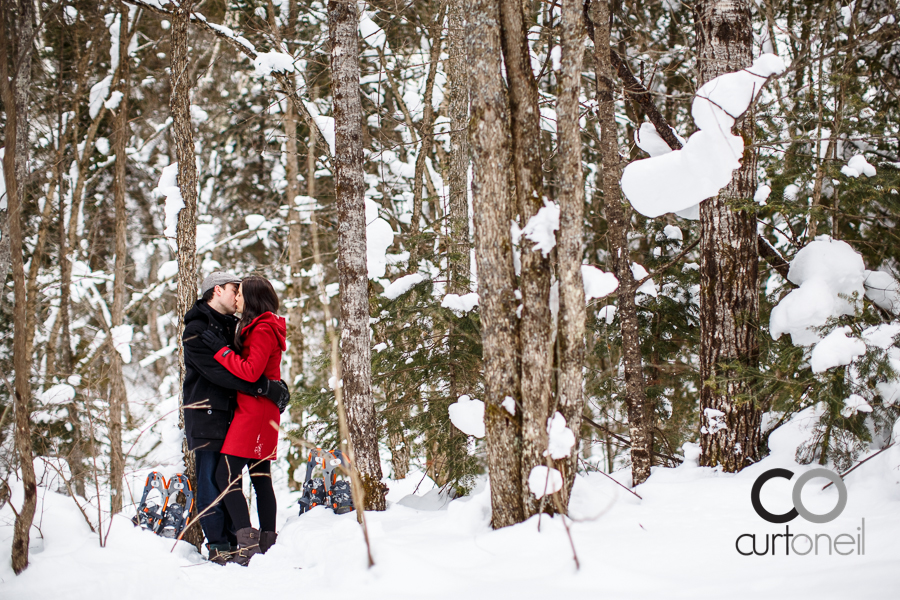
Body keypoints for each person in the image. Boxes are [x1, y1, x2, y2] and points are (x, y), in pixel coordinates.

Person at [182, 272, 289, 565]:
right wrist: (268, 388)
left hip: (246, 411)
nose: (237, 296)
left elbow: (253, 366)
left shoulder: (250, 326)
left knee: (238, 476)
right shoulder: (199, 328)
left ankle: (248, 541)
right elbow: (225, 373)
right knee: (222, 478)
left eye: (241, 292)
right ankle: (227, 543)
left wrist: (269, 386)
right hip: (212, 413)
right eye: (234, 290)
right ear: (218, 291)